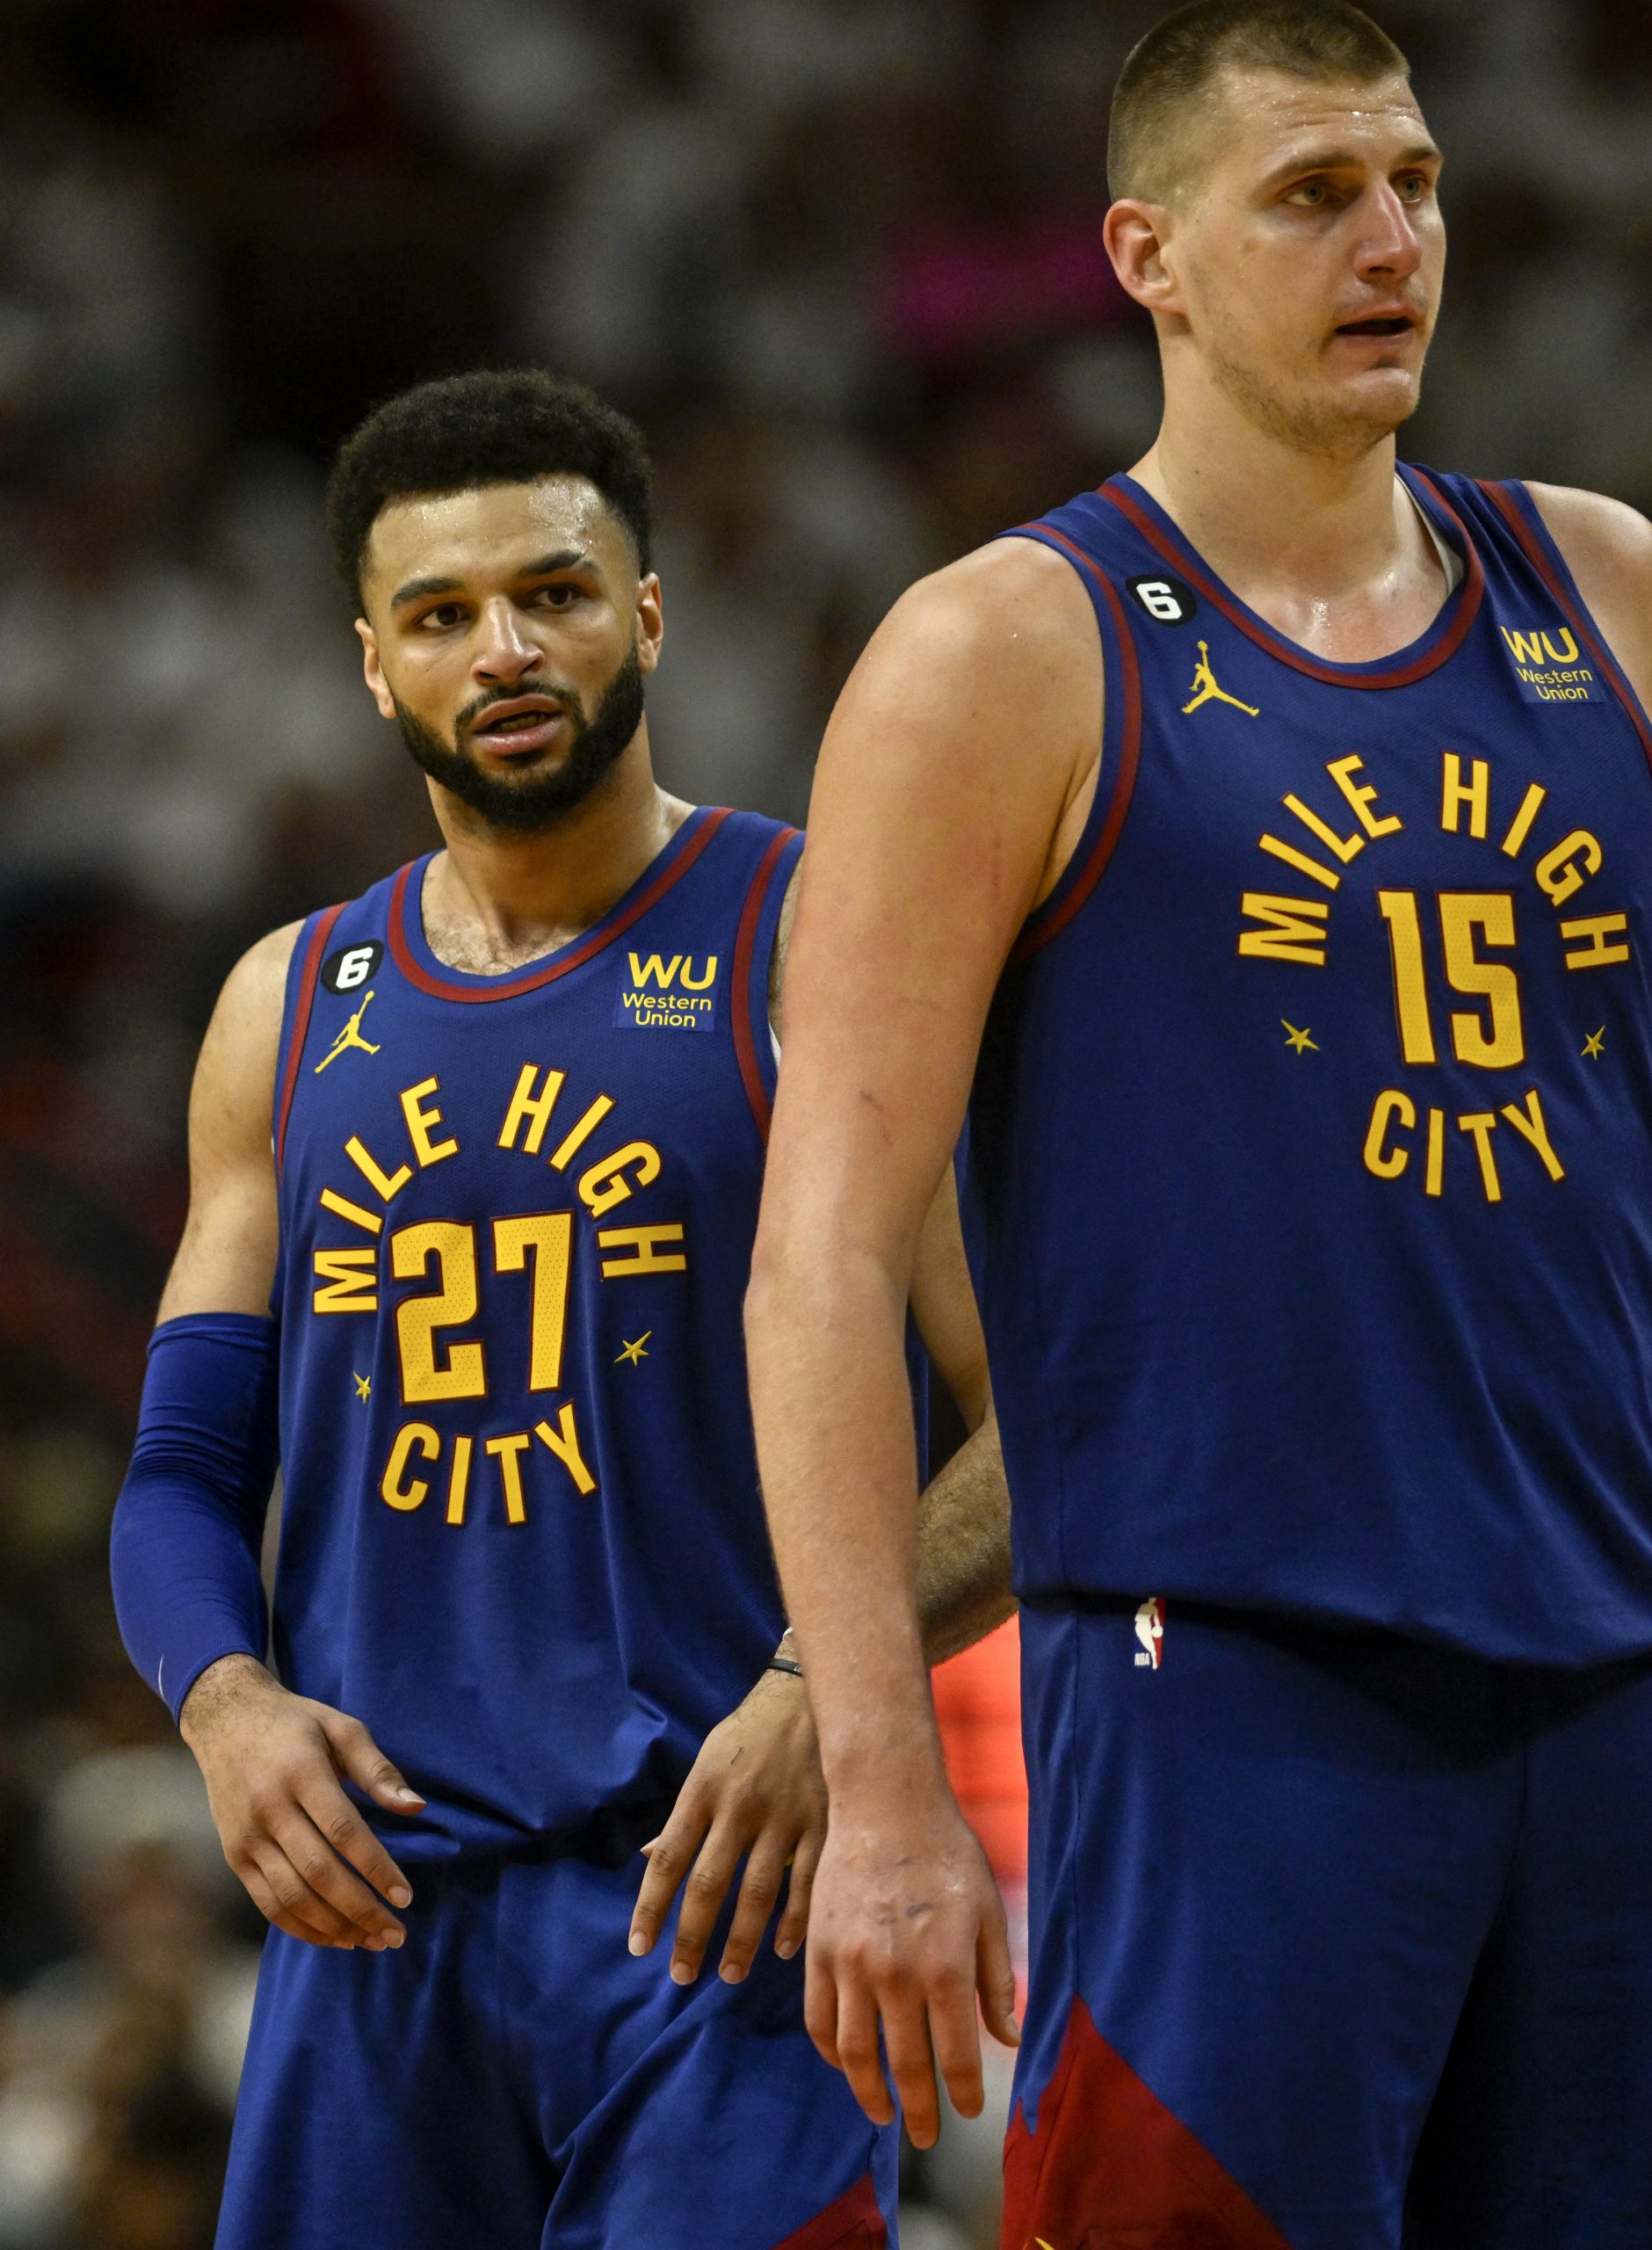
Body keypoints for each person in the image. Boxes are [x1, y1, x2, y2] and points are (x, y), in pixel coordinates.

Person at [743, 4, 1652, 2244]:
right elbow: (818, 1252)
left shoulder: (1609, 585)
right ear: (1148, 256)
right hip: (1234, 1697)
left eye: (1417, 184)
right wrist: (884, 1773)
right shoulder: (1001, 648)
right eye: (1313, 194)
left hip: (1628, 1670)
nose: (1391, 239)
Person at [108, 369, 1013, 2250]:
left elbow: (1052, 1421)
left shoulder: (823, 942)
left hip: (720, 1905)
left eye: (556, 591)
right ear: (372, 666)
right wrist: (222, 1704)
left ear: (650, 615)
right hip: (378, 1923)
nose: (503, 647)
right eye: (440, 615)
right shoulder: (289, 1005)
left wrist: (822, 1687)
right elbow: (185, 1467)